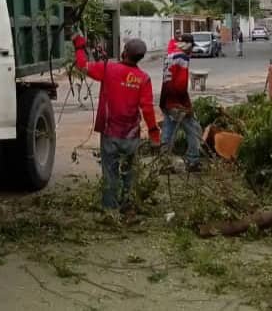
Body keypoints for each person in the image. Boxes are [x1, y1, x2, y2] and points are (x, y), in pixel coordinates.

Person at [72, 34, 160, 212]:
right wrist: (154, 134)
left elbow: (82, 66)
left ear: (124, 52)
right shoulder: (143, 78)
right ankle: (127, 204)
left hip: (110, 133)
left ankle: (110, 209)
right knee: (129, 173)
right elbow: (148, 109)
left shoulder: (108, 69)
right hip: (131, 136)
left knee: (110, 173)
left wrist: (79, 48)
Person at [159, 33, 203, 172]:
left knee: (168, 131)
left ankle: (164, 160)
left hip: (166, 99)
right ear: (188, 45)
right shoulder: (182, 58)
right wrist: (186, 106)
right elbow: (180, 85)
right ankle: (193, 160)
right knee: (194, 130)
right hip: (177, 102)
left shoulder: (170, 55)